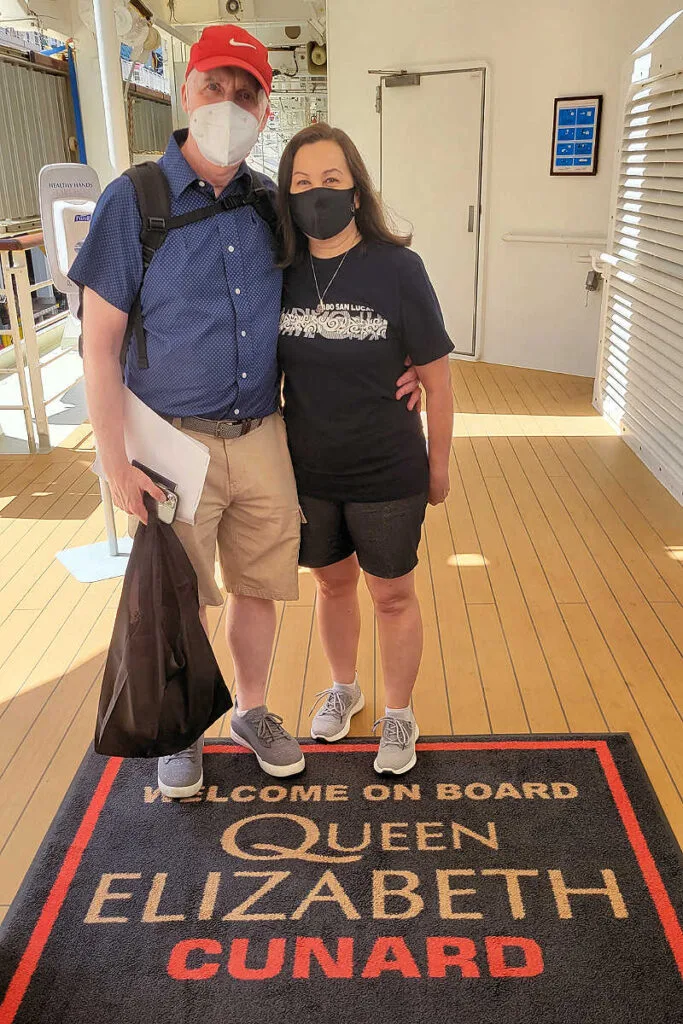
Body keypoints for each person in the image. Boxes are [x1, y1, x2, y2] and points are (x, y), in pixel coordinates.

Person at [68, 26, 420, 799]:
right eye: (214, 87)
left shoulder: (270, 203)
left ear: (265, 108)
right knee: (182, 594)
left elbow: (332, 288)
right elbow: (99, 346)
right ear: (184, 91)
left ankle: (252, 711)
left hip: (264, 432)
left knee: (259, 587)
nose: (228, 103)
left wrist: (399, 362)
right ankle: (182, 731)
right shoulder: (135, 200)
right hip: (171, 440)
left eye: (246, 92)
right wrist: (114, 458)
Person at [277, 124, 454, 775]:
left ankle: (399, 715)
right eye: (301, 184)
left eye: (329, 181)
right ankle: (343, 687)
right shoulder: (282, 271)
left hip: (387, 467)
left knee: (392, 595)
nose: (315, 194)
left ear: (355, 193)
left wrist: (438, 470)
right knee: (330, 586)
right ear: (286, 196)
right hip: (309, 469)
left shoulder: (397, 268)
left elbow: (436, 381)